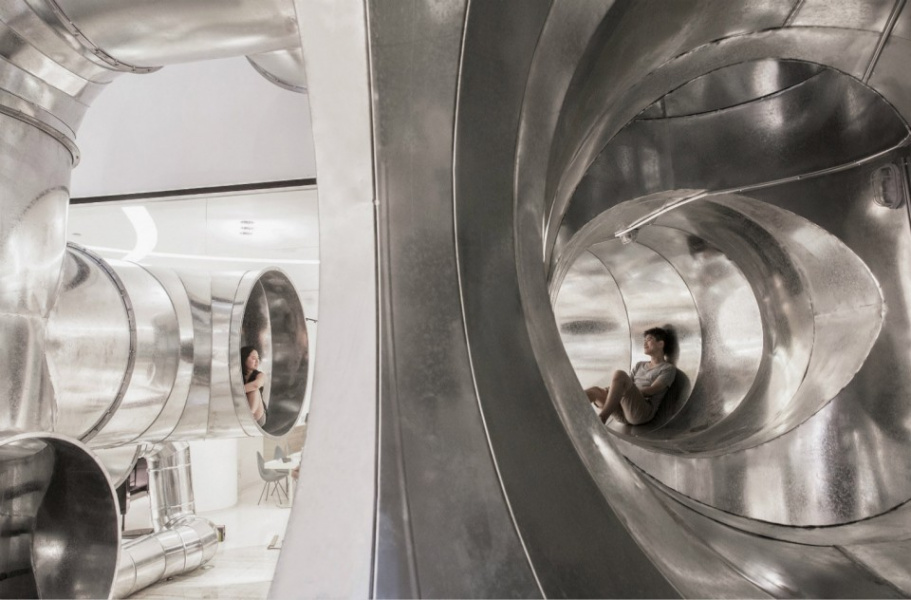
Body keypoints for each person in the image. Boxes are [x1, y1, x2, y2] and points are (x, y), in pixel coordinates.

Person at [586, 327, 676, 425]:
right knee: (595, 391)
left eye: (649, 339)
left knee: (619, 374)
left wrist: (620, 393)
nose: (644, 343)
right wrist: (613, 391)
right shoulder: (639, 365)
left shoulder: (667, 368)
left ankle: (602, 418)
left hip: (641, 412)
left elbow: (652, 390)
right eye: (644, 340)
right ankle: (573, 412)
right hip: (624, 410)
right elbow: (623, 384)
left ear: (660, 344)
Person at [241, 345, 267, 427]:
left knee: (254, 390)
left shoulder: (260, 375)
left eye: (258, 358)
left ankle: (248, 418)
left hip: (257, 416)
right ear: (244, 358)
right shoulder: (237, 375)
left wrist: (236, 392)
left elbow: (256, 385)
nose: (257, 361)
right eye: (253, 358)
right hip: (241, 411)